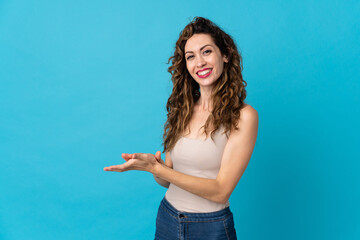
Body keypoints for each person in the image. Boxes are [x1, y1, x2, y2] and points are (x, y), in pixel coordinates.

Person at [104, 16, 258, 240]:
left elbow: (220, 190)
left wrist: (160, 170)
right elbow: (169, 179)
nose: (199, 63)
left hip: (210, 228)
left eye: (206, 52)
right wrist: (152, 167)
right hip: (168, 218)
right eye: (190, 57)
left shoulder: (244, 116)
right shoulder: (183, 109)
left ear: (225, 55)